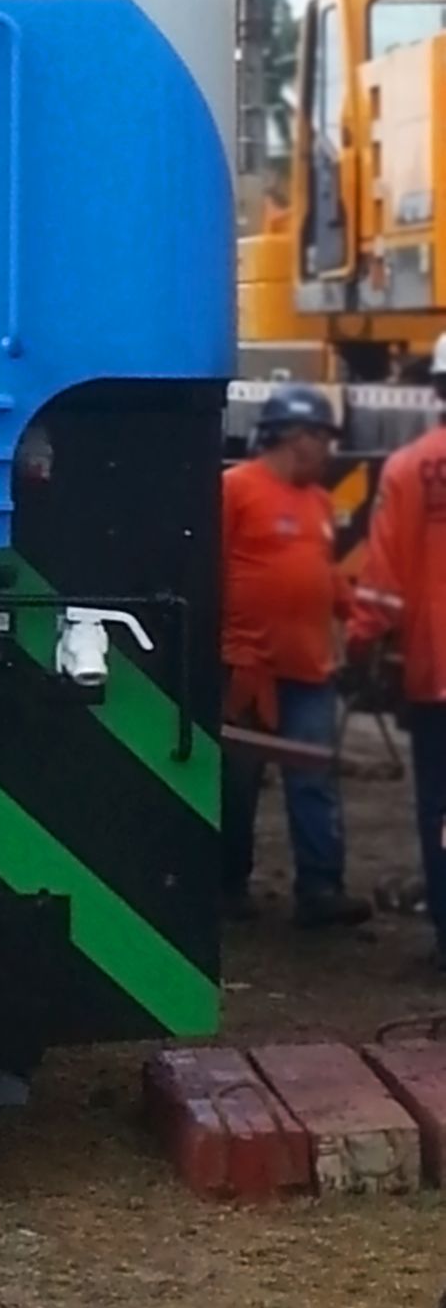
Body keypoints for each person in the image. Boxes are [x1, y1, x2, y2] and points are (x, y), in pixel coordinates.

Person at [221, 383, 369, 927]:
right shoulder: (235, 490)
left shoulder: (320, 502)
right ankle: (227, 885)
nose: (329, 449)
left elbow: (323, 570)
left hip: (308, 667)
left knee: (313, 778)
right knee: (236, 782)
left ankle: (321, 887)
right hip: (247, 666)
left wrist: (354, 615)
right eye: (322, 437)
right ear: (292, 437)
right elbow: (208, 565)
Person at [346, 335, 446, 971]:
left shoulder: (411, 469)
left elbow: (381, 581)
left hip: (437, 675)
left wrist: (361, 645)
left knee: (440, 809)